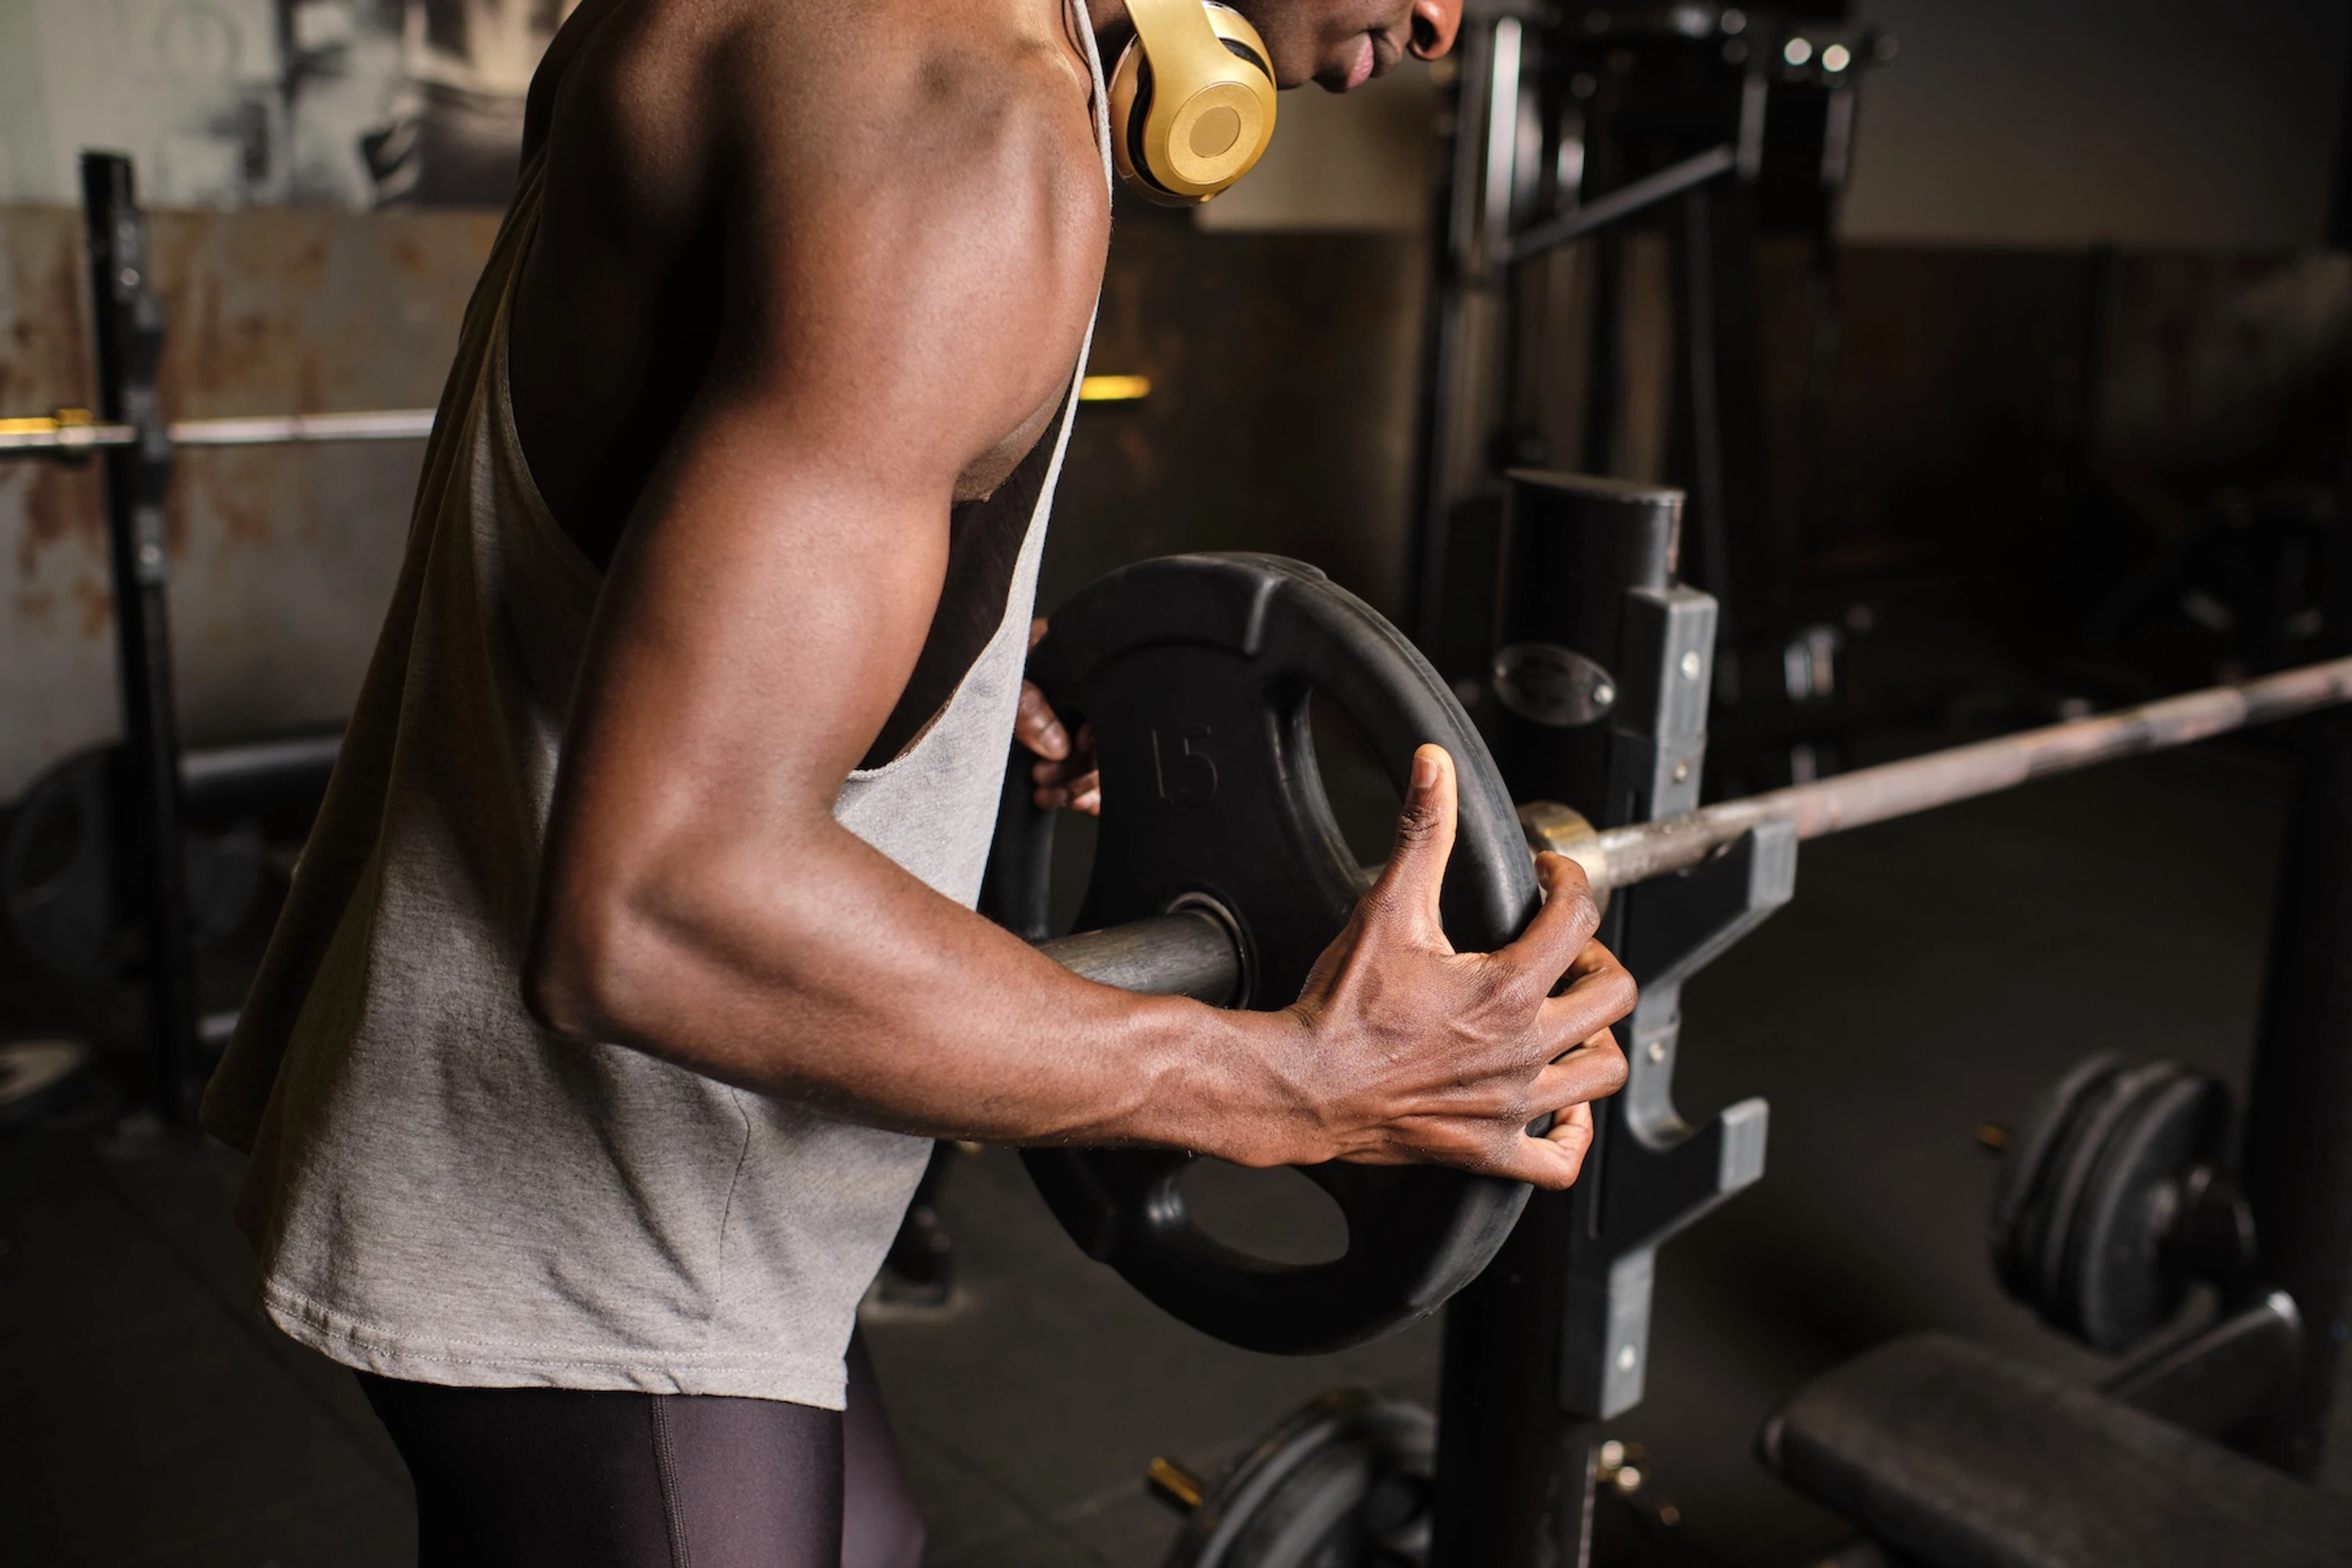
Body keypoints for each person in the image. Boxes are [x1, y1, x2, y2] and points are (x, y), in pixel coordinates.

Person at [200, 2, 1634, 1563]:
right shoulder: (978, 131)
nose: (1439, 22)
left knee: (868, 1540)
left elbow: (645, 501)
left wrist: (934, 673)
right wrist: (1290, 1080)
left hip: (548, 1117)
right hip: (605, 1215)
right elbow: (663, 905)